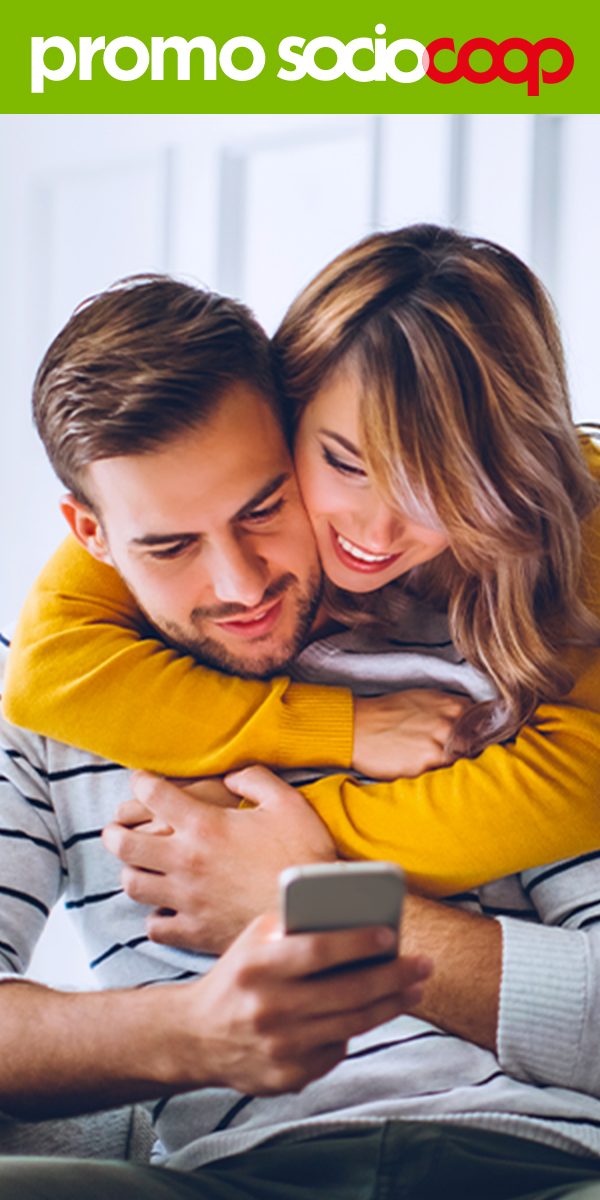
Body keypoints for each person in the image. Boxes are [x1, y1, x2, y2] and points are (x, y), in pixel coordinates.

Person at [1, 262, 600, 1198]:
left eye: (264, 508)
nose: (241, 586)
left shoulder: (494, 642)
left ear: (291, 438)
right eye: (169, 546)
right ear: (91, 534)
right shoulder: (41, 700)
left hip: (539, 1156)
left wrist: (299, 891)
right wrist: (189, 1032)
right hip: (231, 1174)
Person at [3, 225, 600, 901]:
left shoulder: (552, 540)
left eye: (442, 488)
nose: (377, 531)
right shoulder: (164, 494)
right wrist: (339, 728)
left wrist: (284, 869)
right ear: (288, 413)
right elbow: (45, 672)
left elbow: (583, 785)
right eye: (345, 464)